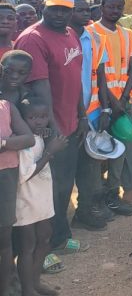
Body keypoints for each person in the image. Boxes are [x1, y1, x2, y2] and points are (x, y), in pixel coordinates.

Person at [15, 0, 88, 253]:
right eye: (53, 8)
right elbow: (41, 89)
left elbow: (76, 79)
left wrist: (81, 115)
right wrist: (54, 132)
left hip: (69, 125)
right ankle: (39, 252)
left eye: (64, 9)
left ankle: (60, 235)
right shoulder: (33, 38)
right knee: (43, 192)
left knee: (64, 186)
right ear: (43, 7)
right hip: (46, 131)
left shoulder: (71, 35)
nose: (58, 14)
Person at [89, 0, 132, 215]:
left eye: (120, 7)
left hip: (122, 105)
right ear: (102, 7)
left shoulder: (127, 34)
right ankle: (93, 199)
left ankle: (112, 194)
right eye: (111, 7)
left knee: (119, 152)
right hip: (99, 105)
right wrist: (112, 102)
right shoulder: (91, 32)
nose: (116, 11)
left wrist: (125, 99)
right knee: (97, 154)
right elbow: (98, 73)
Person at [15, 97, 67, 296]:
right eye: (33, 117)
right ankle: (27, 289)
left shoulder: (39, 137)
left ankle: (35, 282)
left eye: (44, 117)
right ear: (22, 119)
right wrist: (49, 152)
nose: (39, 121)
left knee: (44, 239)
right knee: (27, 246)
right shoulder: (23, 141)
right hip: (26, 201)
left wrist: (47, 143)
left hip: (42, 199)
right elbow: (25, 175)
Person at [68, 0, 112, 229]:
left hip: (92, 112)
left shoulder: (96, 38)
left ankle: (85, 212)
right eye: (79, 10)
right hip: (67, 115)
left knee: (91, 167)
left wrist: (105, 107)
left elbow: (101, 76)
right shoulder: (62, 38)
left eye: (87, 10)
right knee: (66, 170)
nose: (86, 14)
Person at [0, 89, 34, 296]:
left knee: (4, 239)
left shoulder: (6, 107)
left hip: (5, 177)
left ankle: (6, 289)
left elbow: (28, 139)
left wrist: (3, 143)